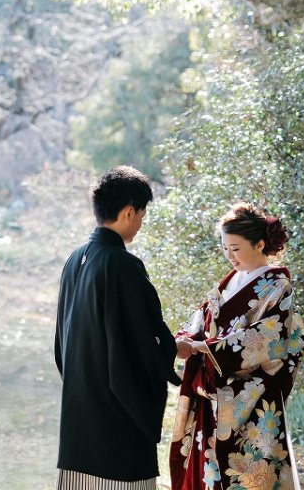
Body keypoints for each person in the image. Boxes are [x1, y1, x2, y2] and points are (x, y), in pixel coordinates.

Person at [55, 166, 187, 490]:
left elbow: (62, 345)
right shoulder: (122, 265)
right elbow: (141, 342)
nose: (141, 223)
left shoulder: (74, 260)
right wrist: (176, 348)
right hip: (116, 427)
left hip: (79, 418)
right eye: (142, 214)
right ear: (129, 212)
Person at [170, 203, 304, 490]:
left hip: (250, 398)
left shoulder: (277, 285)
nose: (230, 257)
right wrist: (183, 339)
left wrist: (208, 348)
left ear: (259, 244)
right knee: (209, 475)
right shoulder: (231, 281)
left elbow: (270, 337)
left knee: (249, 475)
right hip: (213, 395)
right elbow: (202, 318)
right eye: (224, 249)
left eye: (235, 248)